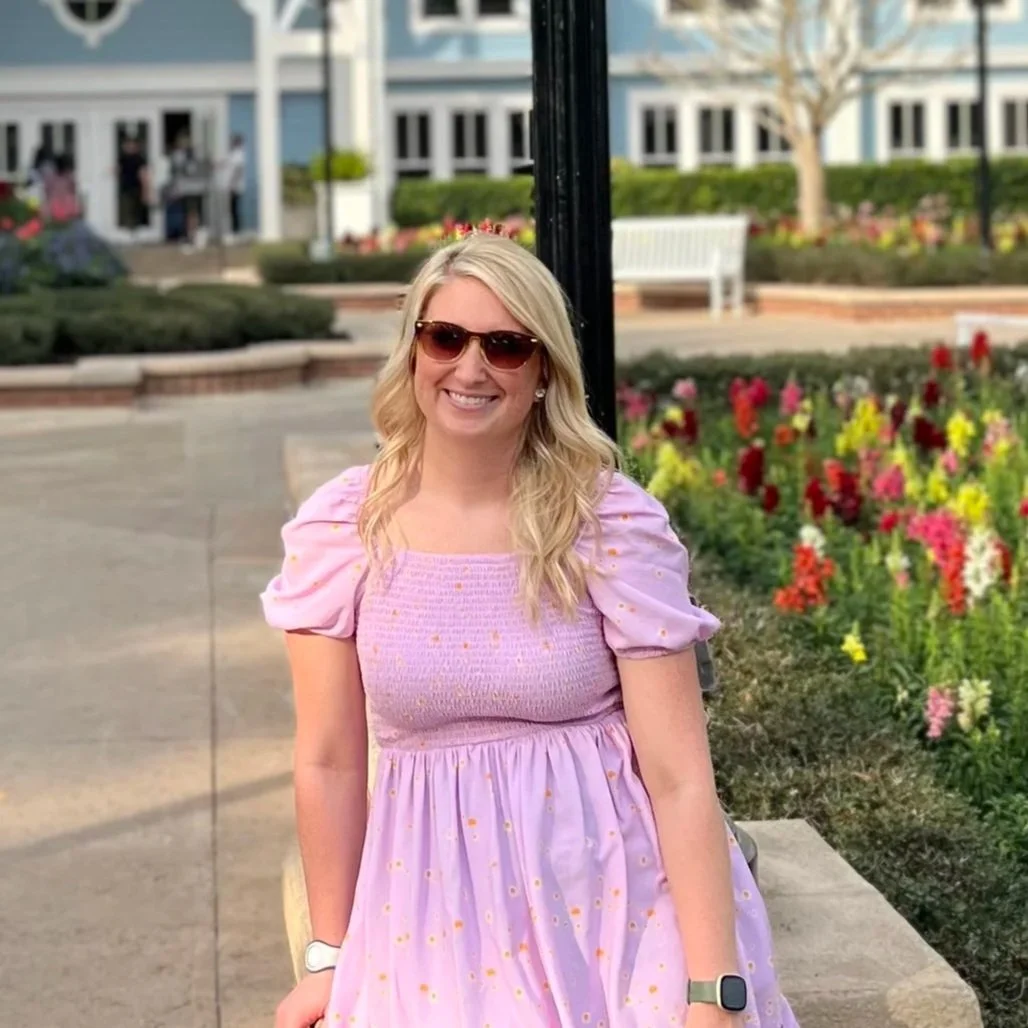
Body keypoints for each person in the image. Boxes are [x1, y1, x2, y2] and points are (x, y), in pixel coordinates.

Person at [261, 231, 799, 1028]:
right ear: (413, 352)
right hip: (428, 910)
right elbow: (331, 762)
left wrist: (713, 987)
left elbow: (680, 776)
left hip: (620, 903)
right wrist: (329, 960)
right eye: (445, 337)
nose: (470, 368)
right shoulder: (344, 528)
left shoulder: (609, 523)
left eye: (506, 346)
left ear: (544, 371)